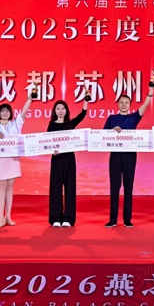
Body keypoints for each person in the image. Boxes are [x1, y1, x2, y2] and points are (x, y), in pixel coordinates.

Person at [103, 79, 154, 228]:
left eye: (126, 102)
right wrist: (112, 131)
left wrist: (151, 91)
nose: (124, 104)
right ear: (118, 104)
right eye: (121, 102)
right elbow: (102, 137)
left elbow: (145, 105)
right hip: (115, 156)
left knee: (128, 187)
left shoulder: (133, 117)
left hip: (130, 156)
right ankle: (113, 220)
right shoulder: (112, 119)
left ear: (130, 105)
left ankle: (127, 219)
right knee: (114, 187)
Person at [0, 92, 34, 228]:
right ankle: (0, 217)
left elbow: (24, 111)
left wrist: (30, 98)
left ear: (10, 113)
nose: (5, 113)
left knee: (10, 186)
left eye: (7, 111)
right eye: (2, 111)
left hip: (13, 159)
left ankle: (8, 216)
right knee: (1, 186)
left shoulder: (16, 124)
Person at [47, 95, 89, 227]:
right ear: (55, 111)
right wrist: (52, 150)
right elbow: (47, 143)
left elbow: (82, 115)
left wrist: (86, 101)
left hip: (69, 159)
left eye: (63, 108)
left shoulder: (70, 124)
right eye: (58, 108)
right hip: (57, 160)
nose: (60, 111)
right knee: (55, 188)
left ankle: (68, 218)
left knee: (70, 189)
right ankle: (55, 218)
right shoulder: (51, 125)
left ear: (66, 111)